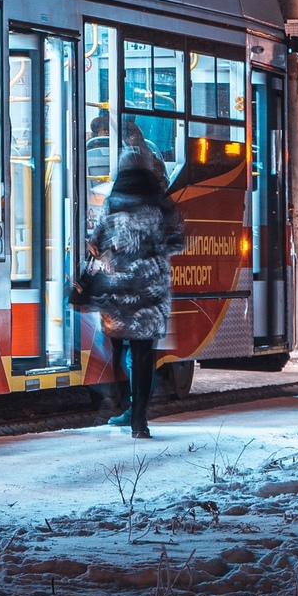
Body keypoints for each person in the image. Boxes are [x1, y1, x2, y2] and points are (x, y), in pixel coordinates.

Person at [87, 142, 187, 438]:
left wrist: (116, 251)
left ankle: (119, 401)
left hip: (118, 290)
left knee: (116, 348)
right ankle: (138, 421)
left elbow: (96, 242)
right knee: (144, 356)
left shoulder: (113, 201)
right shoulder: (162, 201)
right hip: (151, 292)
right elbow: (179, 240)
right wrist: (154, 251)